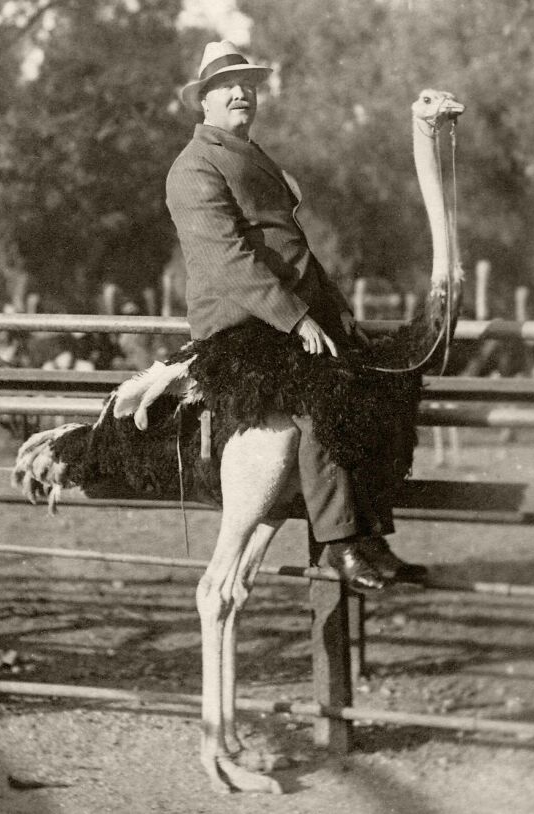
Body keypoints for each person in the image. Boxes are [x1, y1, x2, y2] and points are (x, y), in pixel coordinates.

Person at [166, 40, 427, 591]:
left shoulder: (255, 157)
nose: (241, 93)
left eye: (248, 84)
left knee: (380, 382)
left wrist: (339, 315)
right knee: (323, 390)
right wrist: (296, 319)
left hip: (286, 319)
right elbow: (227, 258)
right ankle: (335, 542)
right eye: (226, 86)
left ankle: (369, 534)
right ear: (204, 102)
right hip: (238, 326)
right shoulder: (193, 169)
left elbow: (296, 251)